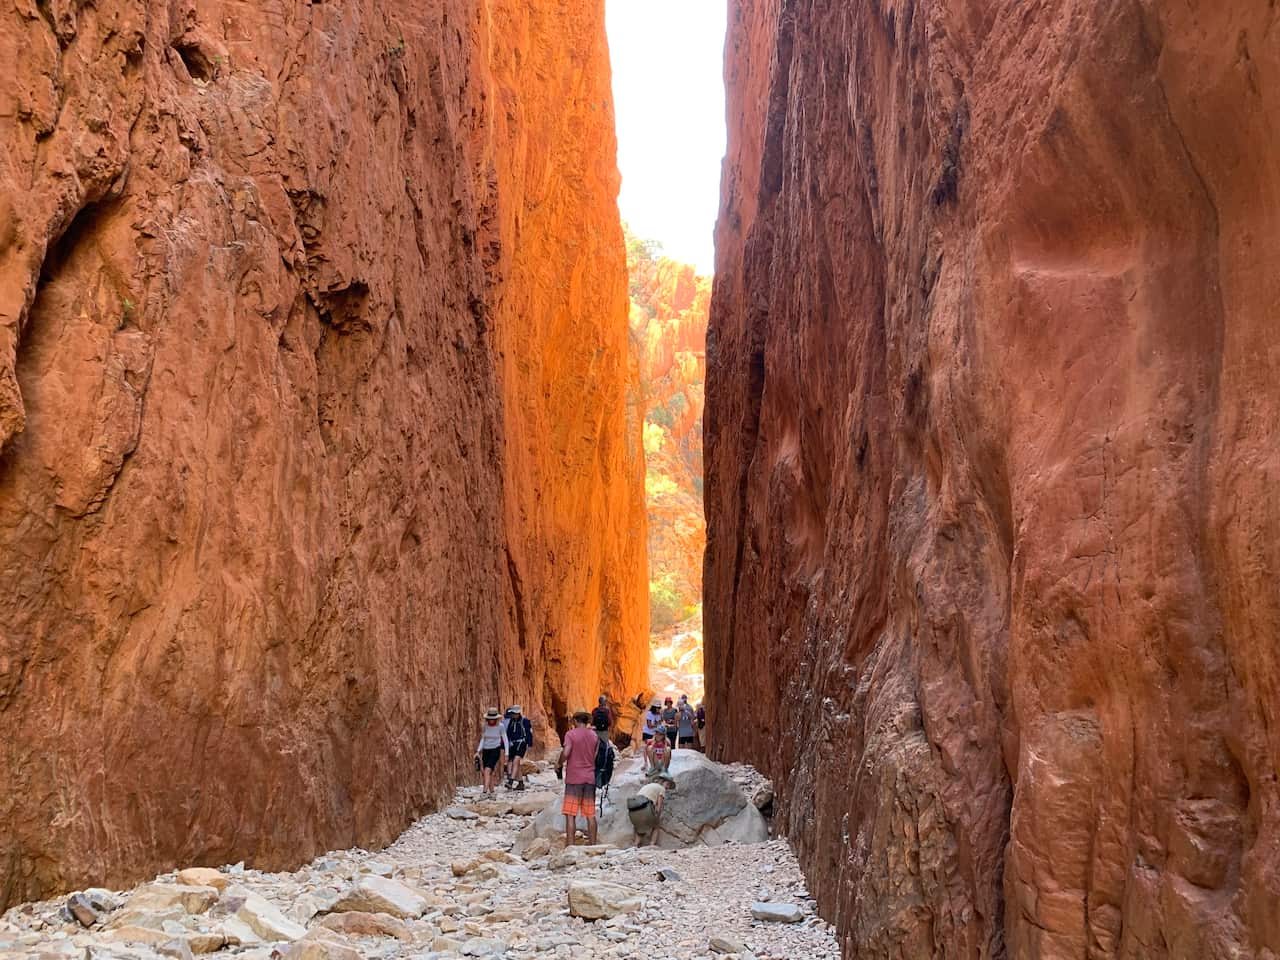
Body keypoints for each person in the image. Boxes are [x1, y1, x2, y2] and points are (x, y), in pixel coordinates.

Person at [556, 710, 600, 846]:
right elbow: (595, 756)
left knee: (570, 814)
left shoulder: (570, 734)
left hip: (574, 778)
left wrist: (559, 762)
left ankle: (571, 846)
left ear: (575, 721)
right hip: (589, 778)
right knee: (590, 814)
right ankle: (593, 845)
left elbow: (567, 751)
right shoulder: (594, 736)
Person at [474, 707, 509, 797]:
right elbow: (483, 739)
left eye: (493, 719)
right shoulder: (485, 726)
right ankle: (492, 792)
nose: (491, 721)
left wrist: (506, 754)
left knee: (487, 770)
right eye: (490, 719)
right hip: (486, 750)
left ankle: (484, 792)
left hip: (495, 750)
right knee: (489, 772)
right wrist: (478, 751)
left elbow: (505, 740)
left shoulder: (500, 726)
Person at [627, 779, 673, 847]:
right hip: (645, 805)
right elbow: (659, 805)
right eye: (668, 784)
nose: (668, 787)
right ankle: (652, 845)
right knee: (656, 825)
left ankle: (635, 846)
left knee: (640, 827)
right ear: (662, 782)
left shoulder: (649, 786)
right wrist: (657, 817)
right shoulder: (661, 788)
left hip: (633, 807)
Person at [504, 705, 533, 790]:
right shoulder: (512, 721)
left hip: (522, 743)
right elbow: (508, 733)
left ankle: (511, 782)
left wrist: (529, 744)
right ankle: (521, 784)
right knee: (517, 764)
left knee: (516, 760)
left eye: (513, 713)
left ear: (517, 713)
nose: (512, 715)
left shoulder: (525, 721)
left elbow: (529, 733)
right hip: (513, 745)